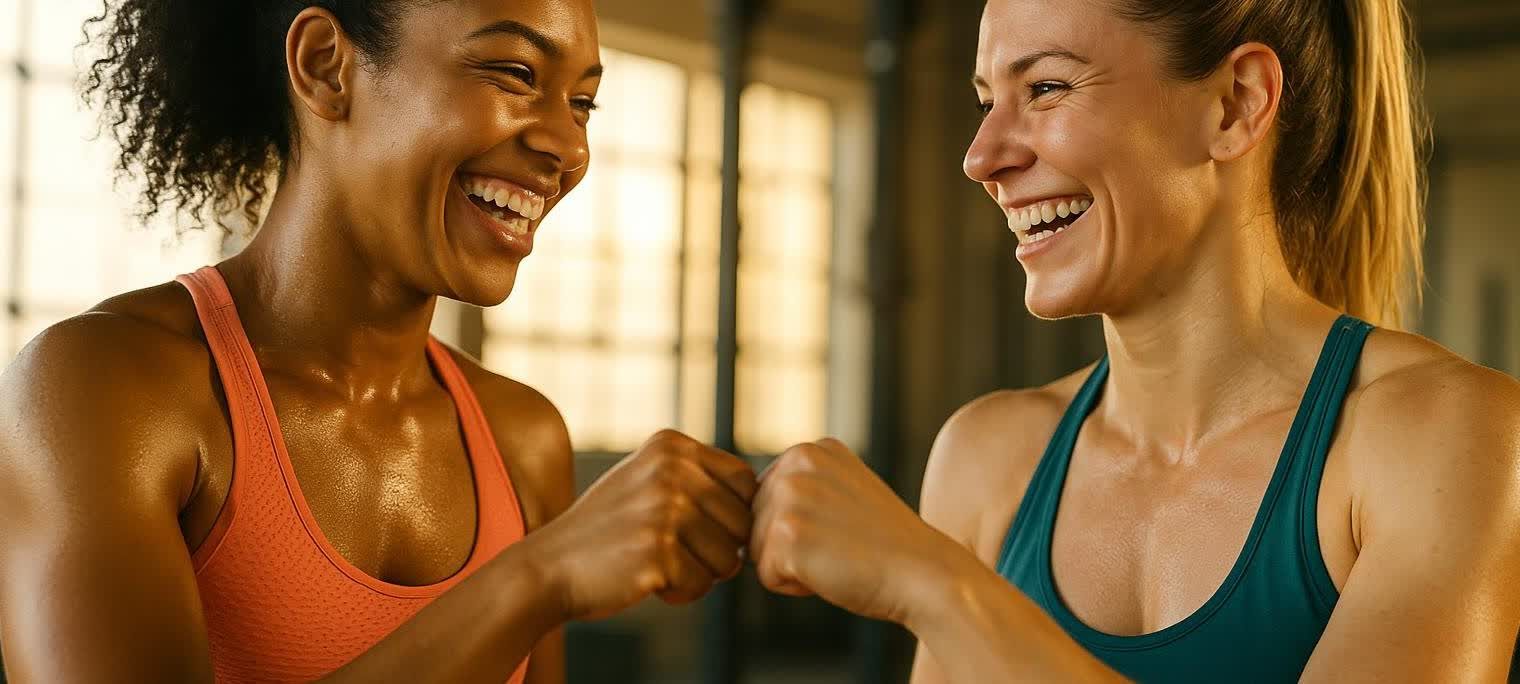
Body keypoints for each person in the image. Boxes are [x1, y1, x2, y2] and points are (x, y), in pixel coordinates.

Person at [746, 0, 1520, 680]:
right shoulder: (986, 458)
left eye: (1045, 87)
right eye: (987, 100)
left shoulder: (1446, 437)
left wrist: (936, 588)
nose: (981, 157)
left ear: (1234, 105)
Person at [0, 1, 757, 682]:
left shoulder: (523, 439)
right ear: (326, 66)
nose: (568, 146)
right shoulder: (104, 391)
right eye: (514, 72)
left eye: (583, 103)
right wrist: (532, 580)